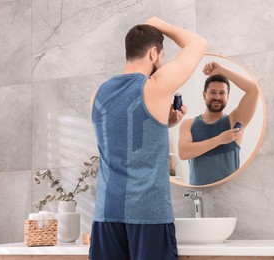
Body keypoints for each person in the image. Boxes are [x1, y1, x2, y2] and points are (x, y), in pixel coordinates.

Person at [89, 17, 206, 260]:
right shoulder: (155, 85)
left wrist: (163, 123)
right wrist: (163, 25)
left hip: (105, 214)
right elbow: (197, 44)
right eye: (161, 56)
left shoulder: (97, 94)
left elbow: (123, 136)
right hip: (147, 213)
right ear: (153, 53)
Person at [178, 61, 259, 186]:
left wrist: (222, 70)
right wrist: (220, 139)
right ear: (204, 95)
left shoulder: (234, 120)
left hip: (230, 196)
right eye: (212, 92)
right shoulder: (188, 124)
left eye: (222, 93)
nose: (217, 97)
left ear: (228, 97)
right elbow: (183, 153)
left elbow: (254, 90)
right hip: (200, 196)